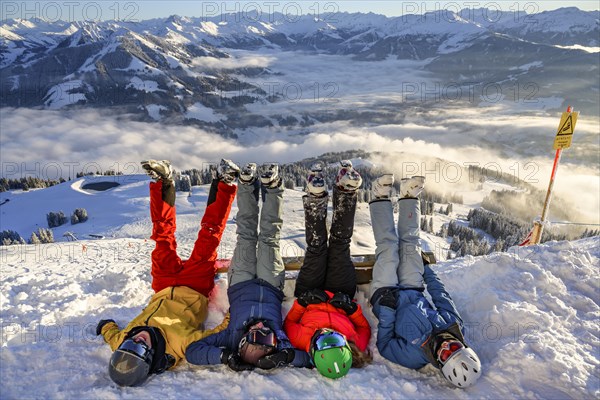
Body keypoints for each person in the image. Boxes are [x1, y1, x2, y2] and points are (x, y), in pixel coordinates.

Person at [96, 159, 240, 386]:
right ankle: (224, 182)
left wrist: (104, 326)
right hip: (194, 287)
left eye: (128, 345)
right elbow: (218, 334)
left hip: (163, 285)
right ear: (150, 357)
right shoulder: (181, 343)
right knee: (209, 236)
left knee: (162, 237)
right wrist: (235, 311)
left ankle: (163, 181)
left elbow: (111, 334)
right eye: (139, 348)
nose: (135, 340)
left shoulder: (123, 339)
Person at [185, 163, 311, 371]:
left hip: (241, 284)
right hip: (270, 285)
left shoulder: (230, 338)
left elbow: (193, 351)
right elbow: (306, 359)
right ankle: (272, 186)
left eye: (256, 334)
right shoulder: (281, 343)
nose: (261, 327)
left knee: (246, 237)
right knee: (269, 238)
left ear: (243, 340)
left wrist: (224, 356)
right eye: (267, 337)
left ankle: (246, 184)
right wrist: (284, 356)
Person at [368, 174, 482, 388]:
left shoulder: (414, 356)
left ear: (440, 362)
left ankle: (380, 197)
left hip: (386, 296)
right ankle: (408, 198)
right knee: (411, 246)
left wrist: (388, 311)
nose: (447, 345)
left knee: (389, 249)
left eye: (446, 354)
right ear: (463, 346)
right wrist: (426, 270)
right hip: (413, 287)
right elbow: (440, 296)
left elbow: (385, 345)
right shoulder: (454, 325)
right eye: (455, 348)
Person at [283, 161, 372, 379]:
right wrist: (351, 308)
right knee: (340, 246)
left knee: (316, 249)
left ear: (314, 350)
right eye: (335, 340)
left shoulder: (300, 340)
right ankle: (346, 190)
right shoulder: (355, 342)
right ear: (345, 346)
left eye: (323, 342)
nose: (327, 334)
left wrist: (303, 302)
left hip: (310, 292)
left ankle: (315, 197)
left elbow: (290, 323)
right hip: (340, 294)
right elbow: (364, 329)